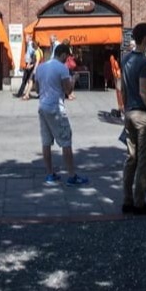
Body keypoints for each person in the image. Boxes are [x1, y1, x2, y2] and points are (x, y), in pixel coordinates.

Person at [35, 42, 89, 186]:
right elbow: (68, 90)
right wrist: (74, 79)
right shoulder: (62, 69)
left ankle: (49, 174)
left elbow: (37, 89)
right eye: (68, 56)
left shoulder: (41, 67)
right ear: (63, 54)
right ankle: (71, 175)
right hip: (56, 108)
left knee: (46, 142)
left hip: (43, 107)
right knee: (66, 141)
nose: (68, 59)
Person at [121, 22, 146, 215]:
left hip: (129, 112)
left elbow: (122, 87)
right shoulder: (145, 62)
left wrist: (125, 108)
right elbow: (144, 92)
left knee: (131, 159)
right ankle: (139, 203)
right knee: (144, 161)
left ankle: (127, 200)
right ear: (145, 38)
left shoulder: (125, 58)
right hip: (142, 116)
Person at [15, 34, 37, 98]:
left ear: (29, 38)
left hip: (29, 64)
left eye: (26, 38)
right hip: (29, 64)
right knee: (28, 80)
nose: (25, 39)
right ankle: (25, 93)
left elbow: (31, 54)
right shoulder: (29, 45)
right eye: (25, 38)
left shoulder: (30, 45)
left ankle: (20, 94)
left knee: (26, 80)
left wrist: (29, 64)